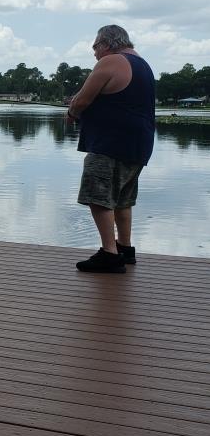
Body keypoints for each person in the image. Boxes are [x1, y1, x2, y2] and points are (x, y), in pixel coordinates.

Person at [66, 24, 155, 273]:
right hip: (138, 145)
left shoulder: (111, 61)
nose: (94, 53)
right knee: (122, 199)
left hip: (110, 145)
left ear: (106, 44)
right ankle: (125, 248)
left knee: (99, 197)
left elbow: (82, 99)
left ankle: (109, 254)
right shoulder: (142, 64)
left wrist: (72, 112)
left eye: (95, 47)